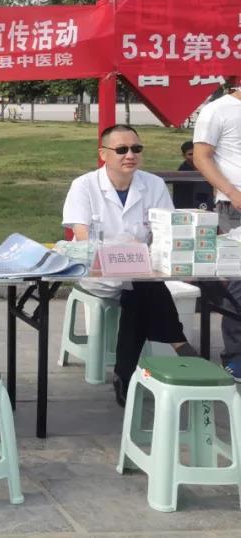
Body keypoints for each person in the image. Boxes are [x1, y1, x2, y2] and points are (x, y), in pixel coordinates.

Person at [62, 124, 197, 405]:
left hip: (144, 270)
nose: (130, 155)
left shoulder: (153, 184)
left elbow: (165, 231)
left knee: (138, 291)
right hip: (98, 271)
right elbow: (83, 236)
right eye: (121, 149)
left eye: (136, 148)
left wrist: (141, 256)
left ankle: (124, 375)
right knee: (142, 288)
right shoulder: (84, 185)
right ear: (103, 154)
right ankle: (178, 343)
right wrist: (123, 254)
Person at [192, 86, 241, 377]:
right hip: (236, 207)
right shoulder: (218, 110)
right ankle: (236, 356)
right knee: (239, 281)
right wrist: (233, 193)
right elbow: (201, 156)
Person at [173, 140, 213, 210]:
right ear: (184, 156)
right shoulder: (182, 172)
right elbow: (181, 198)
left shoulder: (207, 167)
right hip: (187, 208)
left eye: (196, 153)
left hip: (205, 206)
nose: (194, 156)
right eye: (190, 154)